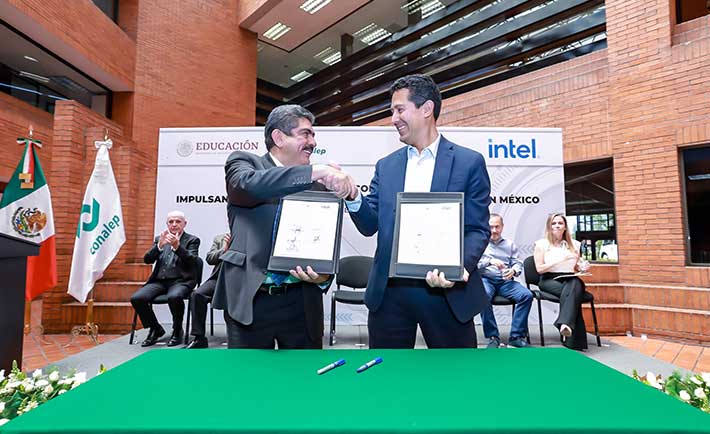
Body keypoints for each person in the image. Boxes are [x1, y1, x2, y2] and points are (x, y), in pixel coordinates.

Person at [345, 74, 491, 348]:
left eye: (399, 109)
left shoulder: (468, 162)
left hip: (445, 292)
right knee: (388, 380)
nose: (393, 118)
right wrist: (352, 196)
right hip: (389, 295)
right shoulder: (386, 166)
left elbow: (477, 229)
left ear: (426, 109)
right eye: (392, 111)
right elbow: (369, 224)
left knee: (454, 381)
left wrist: (459, 267)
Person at [212, 104, 356, 349]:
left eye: (313, 134)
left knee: (305, 382)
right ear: (278, 137)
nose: (313, 141)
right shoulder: (243, 163)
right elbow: (249, 186)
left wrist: (322, 276)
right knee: (249, 381)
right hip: (251, 300)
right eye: (305, 134)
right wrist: (315, 171)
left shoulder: (319, 185)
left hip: (302, 301)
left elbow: (323, 240)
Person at [131, 211, 200, 347]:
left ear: (184, 223)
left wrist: (177, 247)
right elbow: (147, 260)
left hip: (181, 281)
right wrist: (159, 247)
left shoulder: (192, 240)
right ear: (167, 224)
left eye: (178, 221)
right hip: (159, 281)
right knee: (137, 298)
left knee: (174, 296)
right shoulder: (159, 239)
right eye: (171, 222)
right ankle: (156, 329)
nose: (174, 224)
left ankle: (177, 330)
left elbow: (192, 260)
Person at [533, 212, 589, 351]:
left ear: (565, 227)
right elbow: (539, 269)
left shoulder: (574, 245)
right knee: (573, 293)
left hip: (570, 278)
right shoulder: (541, 244)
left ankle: (565, 325)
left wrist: (583, 266)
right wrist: (560, 260)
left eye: (560, 223)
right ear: (549, 227)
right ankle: (569, 331)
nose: (557, 226)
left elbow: (576, 267)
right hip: (549, 279)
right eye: (554, 223)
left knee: (575, 283)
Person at [477, 213, 533, 348]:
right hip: (486, 279)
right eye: (491, 227)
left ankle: (516, 337)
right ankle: (493, 337)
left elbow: (517, 263)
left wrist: (513, 270)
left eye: (497, 227)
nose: (494, 230)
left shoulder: (510, 245)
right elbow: (474, 264)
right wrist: (489, 261)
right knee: (483, 297)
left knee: (527, 295)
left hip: (505, 281)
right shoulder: (479, 243)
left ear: (502, 227)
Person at [184, 232, 230, 349]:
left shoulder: (249, 238)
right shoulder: (220, 238)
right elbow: (210, 259)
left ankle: (237, 336)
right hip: (218, 278)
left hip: (240, 280)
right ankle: (199, 338)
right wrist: (224, 250)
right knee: (197, 294)